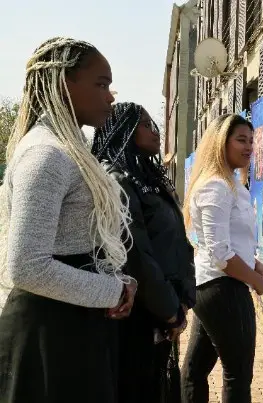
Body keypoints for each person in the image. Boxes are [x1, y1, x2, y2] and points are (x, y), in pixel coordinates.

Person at [0, 37, 137, 403]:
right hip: (50, 334)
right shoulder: (46, 154)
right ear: (64, 84)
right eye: (101, 84)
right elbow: (27, 266)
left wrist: (118, 280)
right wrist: (114, 290)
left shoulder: (68, 148)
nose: (111, 97)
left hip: (73, 323)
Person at [92, 102, 196, 403]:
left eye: (154, 124)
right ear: (123, 130)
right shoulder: (116, 179)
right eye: (146, 125)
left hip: (162, 312)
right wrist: (169, 310)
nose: (155, 130)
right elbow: (135, 255)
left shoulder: (143, 177)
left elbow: (172, 243)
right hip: (139, 315)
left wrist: (180, 302)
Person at [181, 114, 263, 403]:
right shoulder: (215, 187)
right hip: (223, 289)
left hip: (218, 287)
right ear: (222, 142)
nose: (248, 147)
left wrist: (257, 264)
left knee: (195, 370)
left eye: (251, 140)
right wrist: (258, 282)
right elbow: (220, 254)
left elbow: (233, 243)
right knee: (238, 375)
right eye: (241, 140)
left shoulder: (232, 184)